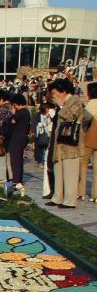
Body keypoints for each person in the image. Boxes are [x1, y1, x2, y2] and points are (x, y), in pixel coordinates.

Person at [46, 78, 84, 209]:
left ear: (63, 91)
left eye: (55, 93)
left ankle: (69, 200)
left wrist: (61, 106)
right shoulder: (61, 104)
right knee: (59, 172)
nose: (54, 96)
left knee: (70, 174)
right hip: (59, 144)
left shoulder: (75, 101)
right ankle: (57, 197)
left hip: (70, 144)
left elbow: (70, 117)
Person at [8, 93, 31, 195]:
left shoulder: (21, 112)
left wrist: (13, 113)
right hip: (22, 137)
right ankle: (18, 179)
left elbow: (12, 121)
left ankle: (16, 180)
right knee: (18, 159)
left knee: (15, 160)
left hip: (17, 137)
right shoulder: (26, 112)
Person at [79, 81, 97, 201]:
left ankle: (81, 192)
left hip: (90, 136)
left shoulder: (91, 103)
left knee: (83, 163)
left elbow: (85, 118)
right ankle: (95, 195)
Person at [0, 89, 13, 183]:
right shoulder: (11, 107)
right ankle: (11, 176)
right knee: (9, 158)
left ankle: (3, 177)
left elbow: (0, 123)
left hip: (2, 135)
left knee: (1, 157)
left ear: (1, 99)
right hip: (10, 135)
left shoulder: (3, 109)